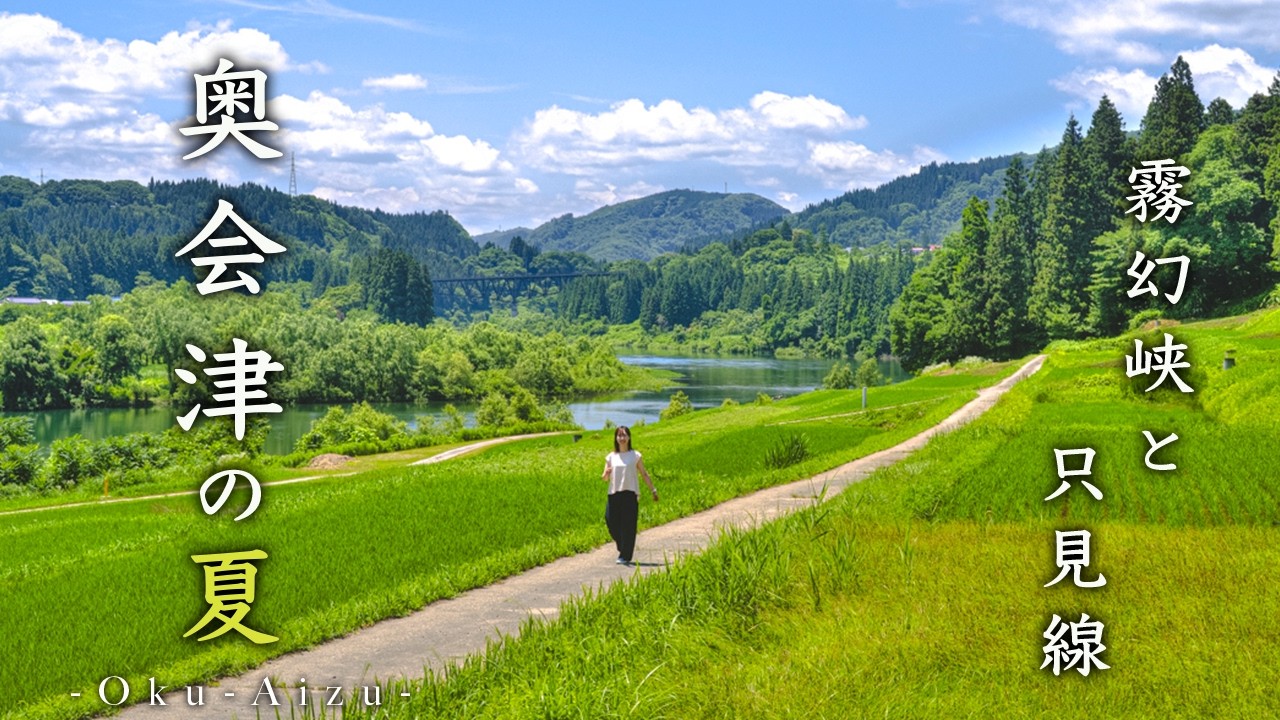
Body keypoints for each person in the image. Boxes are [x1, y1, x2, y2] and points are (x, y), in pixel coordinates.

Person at [601, 425, 657, 565]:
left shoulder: (635, 455)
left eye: (624, 435)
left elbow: (644, 474)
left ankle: (625, 556)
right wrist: (606, 474)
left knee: (628, 525)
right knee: (611, 521)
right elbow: (604, 478)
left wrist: (653, 490)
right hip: (614, 493)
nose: (622, 438)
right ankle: (622, 545)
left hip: (630, 494)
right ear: (616, 438)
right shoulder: (611, 457)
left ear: (629, 437)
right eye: (619, 436)